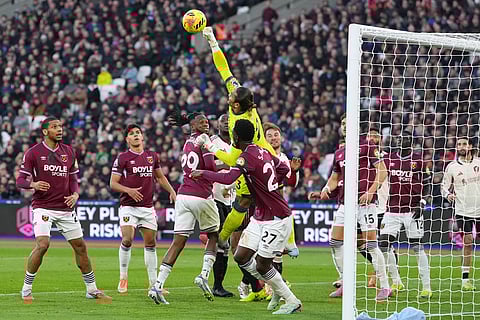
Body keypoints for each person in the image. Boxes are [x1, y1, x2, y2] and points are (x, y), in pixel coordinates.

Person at [192, 119, 303, 314]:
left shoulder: (245, 158)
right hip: (260, 216)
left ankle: (292, 300)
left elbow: (227, 178)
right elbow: (286, 172)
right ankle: (277, 287)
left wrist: (203, 173)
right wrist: (287, 175)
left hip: (276, 218)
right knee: (241, 256)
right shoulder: (264, 151)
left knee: (262, 264)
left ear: (236, 137)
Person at [197, 27, 276, 247]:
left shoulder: (245, 124)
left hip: (256, 157)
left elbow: (234, 158)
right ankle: (226, 239)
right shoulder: (239, 96)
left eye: (231, 96)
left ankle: (222, 238)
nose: (229, 93)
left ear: (236, 104)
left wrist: (209, 146)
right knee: (259, 199)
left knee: (249, 200)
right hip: (264, 153)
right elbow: (224, 69)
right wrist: (214, 43)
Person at [16, 117, 110, 301]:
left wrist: (75, 195)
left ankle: (91, 289)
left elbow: (74, 179)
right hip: (43, 207)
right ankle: (26, 289)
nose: (59, 129)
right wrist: (33, 184)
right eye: (54, 127)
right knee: (43, 244)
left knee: (80, 247)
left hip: (65, 208)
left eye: (60, 126)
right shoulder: (33, 153)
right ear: (45, 131)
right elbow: (20, 181)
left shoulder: (69, 152)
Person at [309, 114, 391, 301]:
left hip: (366, 204)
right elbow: (335, 178)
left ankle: (385, 286)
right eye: (342, 123)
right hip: (345, 204)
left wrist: (371, 191)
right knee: (335, 242)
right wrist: (325, 189)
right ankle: (345, 282)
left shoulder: (368, 146)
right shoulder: (340, 152)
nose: (345, 126)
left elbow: (383, 171)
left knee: (370, 245)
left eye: (348, 123)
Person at [148, 112, 220, 305]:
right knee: (214, 235)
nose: (206, 123)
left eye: (207, 120)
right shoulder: (203, 140)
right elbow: (211, 168)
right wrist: (227, 165)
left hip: (183, 195)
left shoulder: (187, 143)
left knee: (178, 242)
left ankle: (157, 284)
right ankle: (204, 275)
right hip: (201, 195)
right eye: (201, 121)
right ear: (192, 125)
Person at [110, 123, 176, 294]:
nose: (136, 135)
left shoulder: (152, 156)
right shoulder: (123, 158)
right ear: (127, 139)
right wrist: (129, 190)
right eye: (132, 134)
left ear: (142, 136)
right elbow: (113, 183)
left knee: (151, 243)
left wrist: (171, 191)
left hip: (147, 207)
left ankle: (154, 283)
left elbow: (160, 177)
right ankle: (123, 278)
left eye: (138, 133)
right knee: (127, 240)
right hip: (128, 207)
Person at [378, 131, 432, 298]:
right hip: (392, 210)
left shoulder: (419, 160)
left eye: (405, 138)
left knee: (416, 246)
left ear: (411, 142)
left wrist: (422, 203)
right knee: (384, 244)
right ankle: (397, 281)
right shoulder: (389, 159)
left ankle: (427, 287)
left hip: (412, 210)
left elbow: (428, 182)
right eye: (399, 138)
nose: (401, 140)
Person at [202, 114, 235, 298]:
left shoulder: (236, 143)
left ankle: (217, 284)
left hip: (232, 198)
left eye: (229, 122)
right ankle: (216, 284)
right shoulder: (212, 142)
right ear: (218, 125)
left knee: (227, 245)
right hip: (215, 196)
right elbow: (209, 164)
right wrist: (228, 164)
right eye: (224, 122)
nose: (227, 124)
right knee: (222, 242)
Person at [441, 137, 480, 291]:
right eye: (459, 144)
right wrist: (447, 195)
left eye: (464, 144)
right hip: (463, 210)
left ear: (470, 146)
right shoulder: (452, 167)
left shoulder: (478, 162)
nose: (461, 146)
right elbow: (444, 187)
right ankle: (465, 280)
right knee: (468, 242)